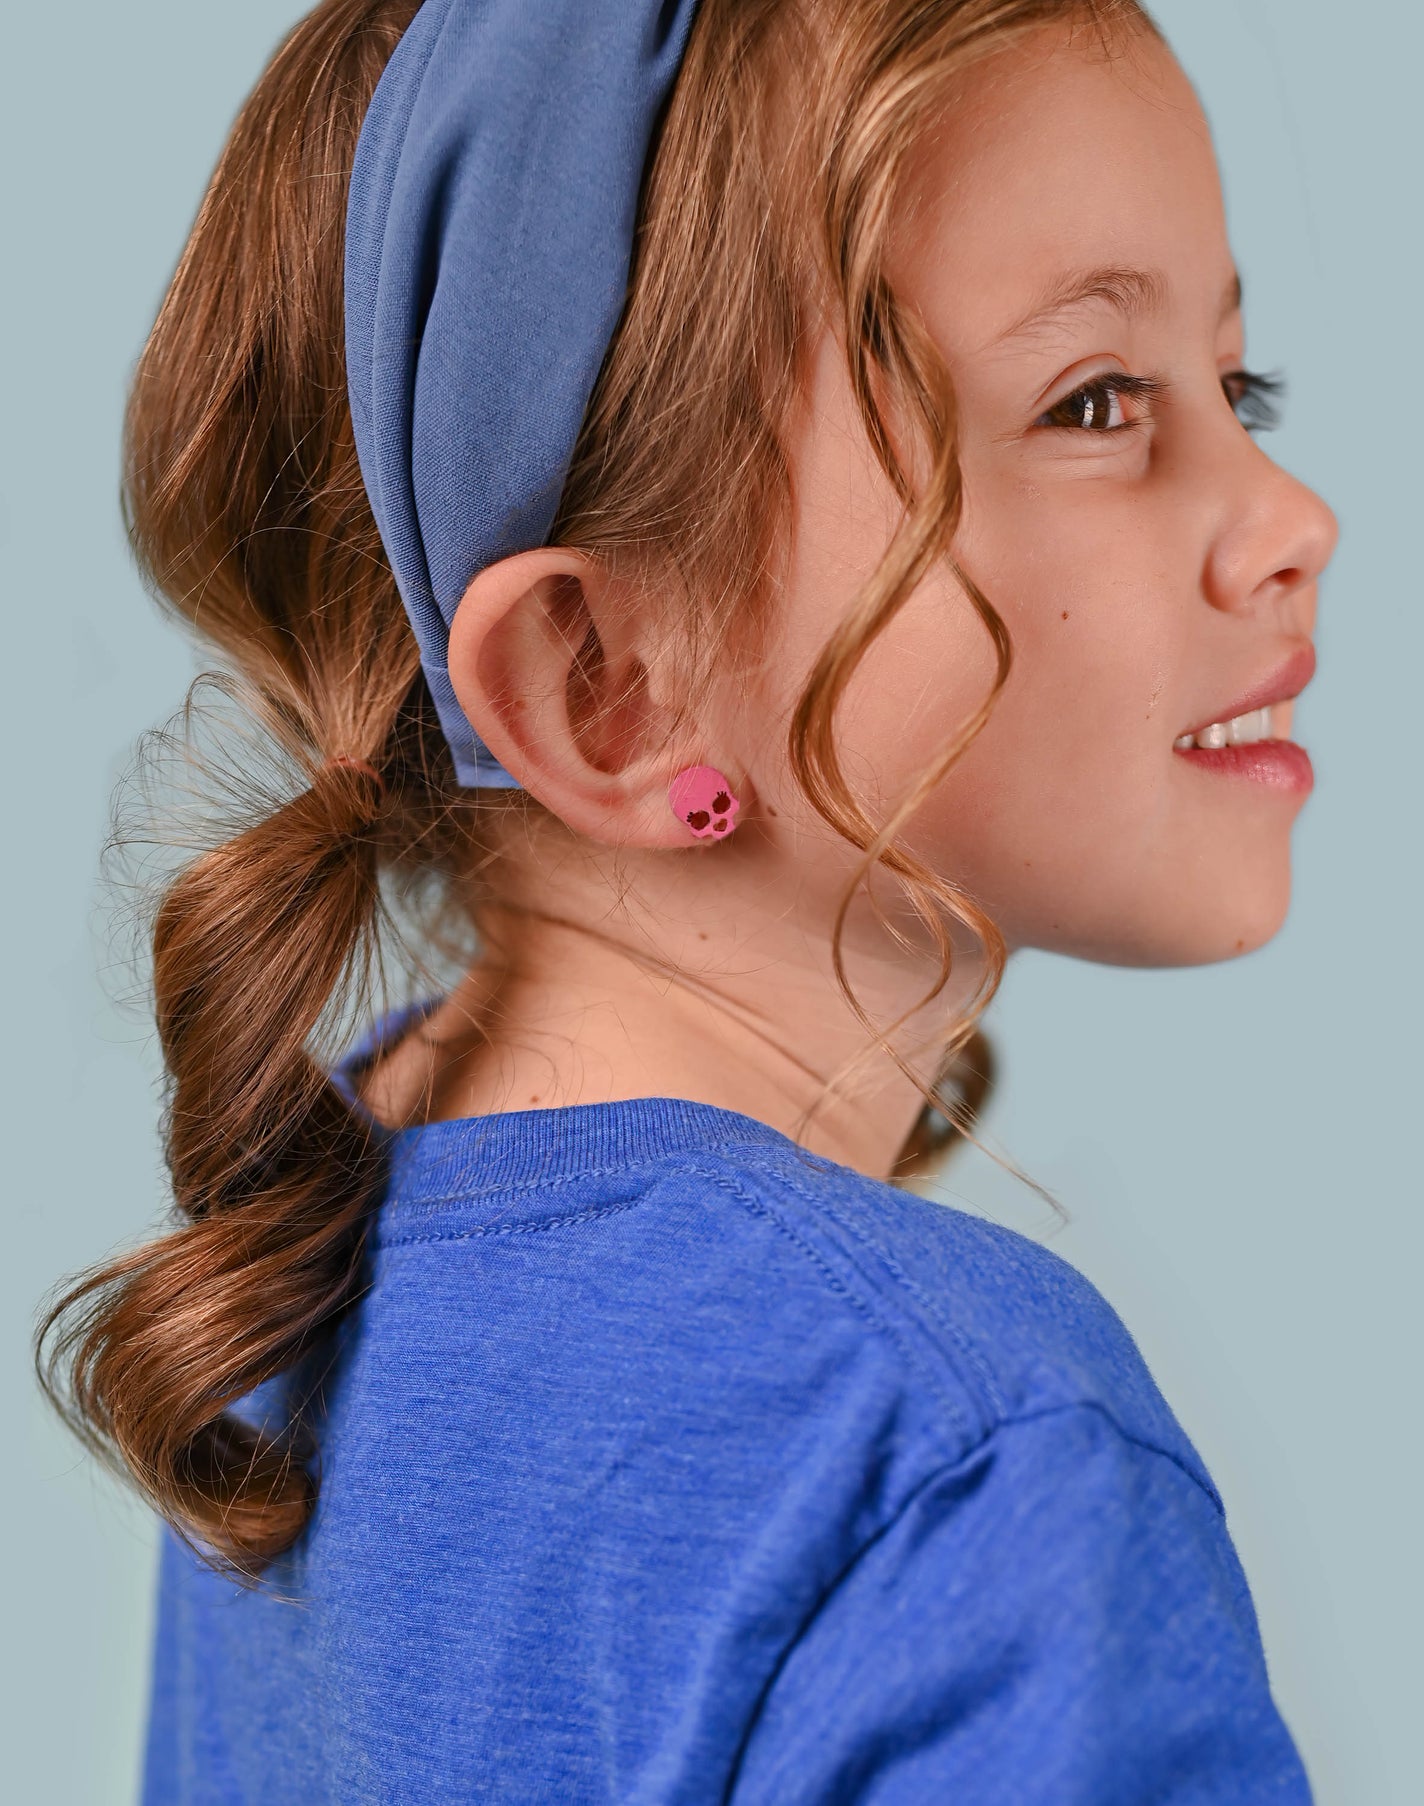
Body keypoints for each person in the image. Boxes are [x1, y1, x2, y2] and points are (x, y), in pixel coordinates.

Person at [38, 0, 1338, 1798]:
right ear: (605, 683)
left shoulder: (311, 1249)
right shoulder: (957, 1445)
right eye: (1093, 402)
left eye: (1234, 385)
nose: (1287, 516)